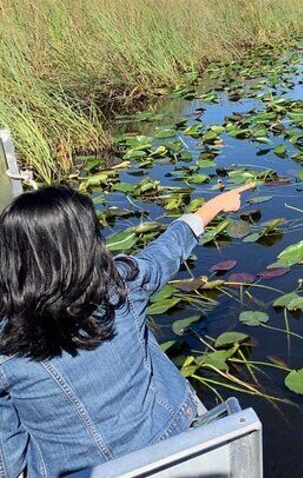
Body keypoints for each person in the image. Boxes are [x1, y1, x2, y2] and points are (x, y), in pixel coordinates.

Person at [0, 183, 253, 477]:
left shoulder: (5, 343)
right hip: (169, 440)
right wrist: (216, 205)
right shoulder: (122, 286)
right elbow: (164, 253)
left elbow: (9, 456)